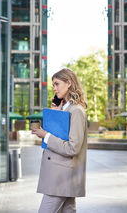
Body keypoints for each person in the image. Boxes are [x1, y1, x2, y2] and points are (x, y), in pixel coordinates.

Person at [31, 68, 88, 213]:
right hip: (61, 174)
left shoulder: (76, 111)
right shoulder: (65, 109)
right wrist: (56, 115)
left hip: (62, 177)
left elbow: (72, 147)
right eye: (53, 85)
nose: (54, 89)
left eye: (57, 84)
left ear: (68, 83)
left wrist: (46, 135)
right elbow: (61, 136)